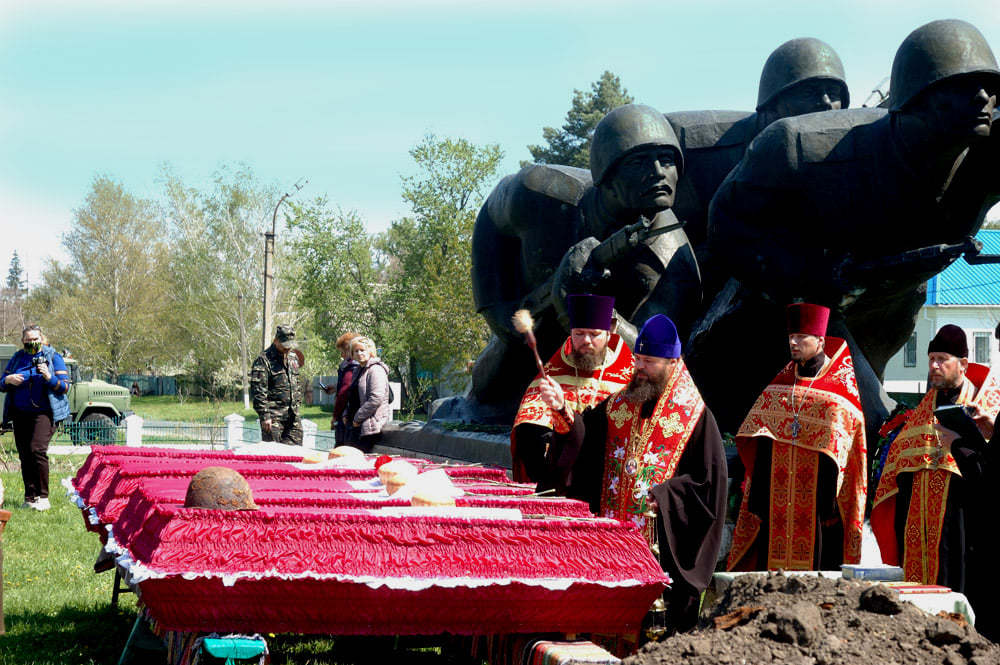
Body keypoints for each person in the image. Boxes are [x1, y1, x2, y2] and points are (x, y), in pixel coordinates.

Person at [691, 19, 1000, 443]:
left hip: (888, 306)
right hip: (784, 306)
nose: (983, 99)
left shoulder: (991, 152)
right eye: (962, 88)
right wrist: (804, 272)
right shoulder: (799, 149)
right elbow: (726, 224)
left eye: (989, 86)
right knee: (867, 418)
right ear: (916, 98)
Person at [460, 104, 700, 419]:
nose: (658, 172)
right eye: (640, 162)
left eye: (667, 160)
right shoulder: (540, 191)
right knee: (488, 391)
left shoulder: (675, 262)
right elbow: (492, 214)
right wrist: (497, 309)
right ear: (607, 172)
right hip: (534, 336)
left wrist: (595, 313)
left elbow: (653, 354)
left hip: (609, 378)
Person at [536, 314, 727, 632]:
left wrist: (667, 497)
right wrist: (563, 410)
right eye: (637, 359)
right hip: (612, 553)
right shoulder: (618, 406)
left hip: (661, 556)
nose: (638, 368)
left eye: (649, 362)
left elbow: (709, 486)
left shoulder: (696, 418)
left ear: (672, 362)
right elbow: (583, 442)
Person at [666, 37, 848, 256]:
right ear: (773, 102)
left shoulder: (845, 152)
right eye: (810, 93)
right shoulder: (706, 151)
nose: (827, 102)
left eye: (834, 93)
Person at [727, 303, 867, 571]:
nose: (794, 342)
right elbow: (755, 439)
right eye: (791, 337)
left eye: (802, 337)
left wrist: (830, 506)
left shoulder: (840, 398)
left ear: (820, 340)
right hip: (777, 509)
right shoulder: (778, 389)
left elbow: (849, 459)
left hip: (820, 512)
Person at [871, 325, 1000, 604]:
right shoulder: (916, 419)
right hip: (918, 536)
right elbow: (894, 480)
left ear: (963, 364)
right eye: (931, 359)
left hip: (965, 535)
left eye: (942, 359)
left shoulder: (987, 409)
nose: (934, 366)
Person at [510, 294, 635, 482]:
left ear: (609, 332)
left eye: (594, 334)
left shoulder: (628, 374)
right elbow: (530, 420)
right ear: (571, 332)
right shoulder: (554, 371)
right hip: (562, 474)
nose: (586, 340)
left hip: (608, 473)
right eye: (579, 333)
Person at [0, 324, 71, 511]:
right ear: (23, 341)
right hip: (20, 413)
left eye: (35, 339)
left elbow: (65, 387)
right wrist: (8, 380)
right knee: (25, 455)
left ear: (41, 339)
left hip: (45, 413)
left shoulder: (53, 357)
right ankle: (29, 497)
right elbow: (2, 383)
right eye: (28, 340)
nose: (32, 343)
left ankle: (43, 497)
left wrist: (49, 377)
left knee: (36, 450)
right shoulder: (17, 358)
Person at [249, 324, 303, 445]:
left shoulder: (293, 357)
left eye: (290, 346)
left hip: (292, 416)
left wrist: (298, 403)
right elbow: (258, 391)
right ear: (276, 341)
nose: (287, 349)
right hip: (273, 417)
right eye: (285, 346)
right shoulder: (263, 360)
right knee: (275, 457)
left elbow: (296, 383)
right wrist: (264, 415)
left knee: (297, 455)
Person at [345, 336, 391, 453]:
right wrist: (346, 414)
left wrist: (357, 418)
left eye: (362, 350)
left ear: (370, 351)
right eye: (356, 351)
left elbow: (376, 398)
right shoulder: (358, 370)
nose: (359, 353)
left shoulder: (376, 370)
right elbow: (353, 396)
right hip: (354, 425)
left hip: (368, 426)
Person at [325, 331, 360, 445]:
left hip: (347, 416)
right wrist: (336, 387)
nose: (342, 355)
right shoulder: (359, 366)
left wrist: (335, 416)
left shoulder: (351, 367)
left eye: (343, 352)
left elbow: (344, 393)